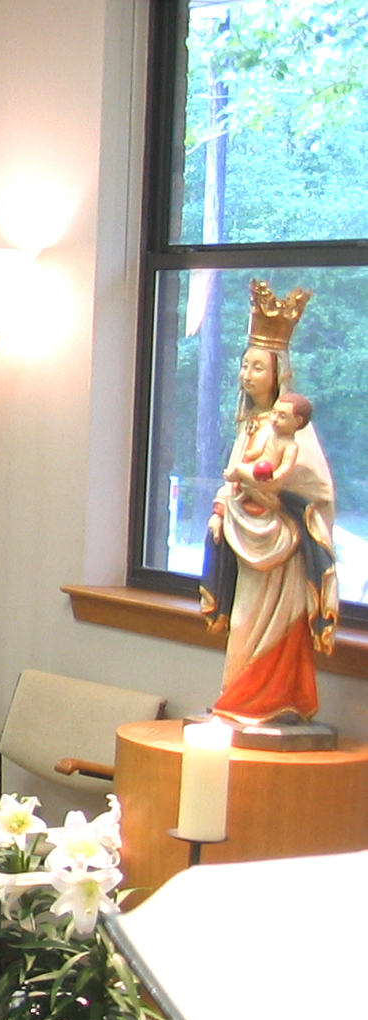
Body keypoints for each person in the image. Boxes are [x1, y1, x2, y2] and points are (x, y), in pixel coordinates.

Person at [201, 283, 338, 725]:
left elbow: (317, 488)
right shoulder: (250, 423)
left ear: (277, 372)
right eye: (244, 365)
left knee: (271, 624)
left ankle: (272, 700)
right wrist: (221, 508)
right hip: (248, 537)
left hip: (283, 548)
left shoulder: (291, 429)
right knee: (243, 625)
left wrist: (266, 485)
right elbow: (232, 474)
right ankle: (240, 698)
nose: (247, 374)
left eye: (258, 367)